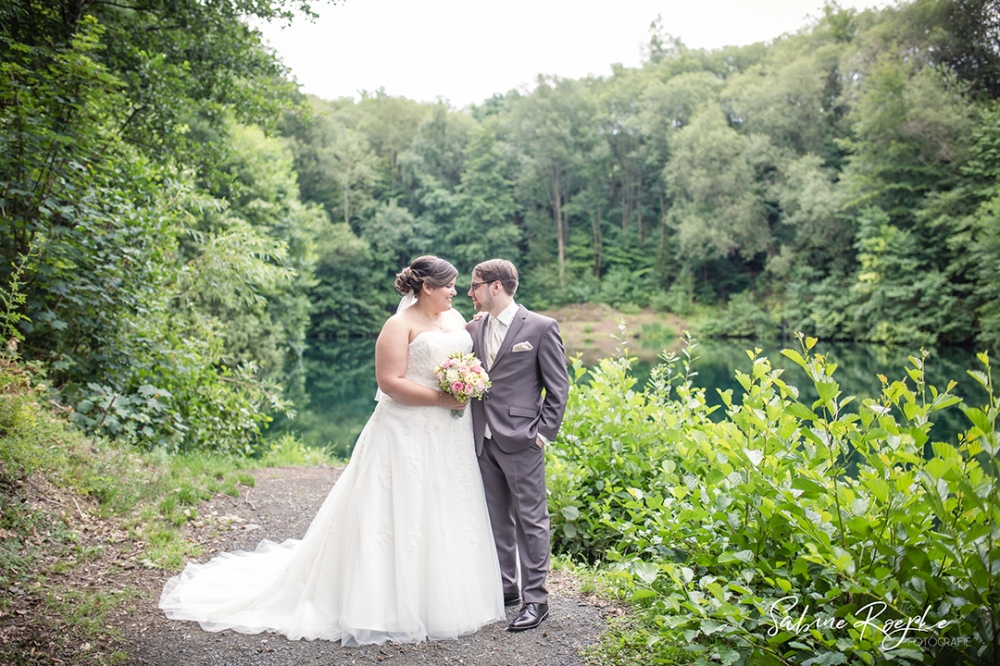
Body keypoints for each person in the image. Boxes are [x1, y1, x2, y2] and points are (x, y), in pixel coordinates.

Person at [159, 256, 505, 645]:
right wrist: (441, 399)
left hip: (448, 435)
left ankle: (445, 597)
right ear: (427, 287)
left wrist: (467, 385)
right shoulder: (398, 325)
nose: (455, 292)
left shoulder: (457, 320)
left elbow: (468, 362)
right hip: (404, 431)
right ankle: (383, 602)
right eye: (449, 285)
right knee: (399, 507)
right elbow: (389, 383)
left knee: (443, 505)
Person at [466, 259, 570, 632]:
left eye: (475, 285)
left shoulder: (541, 327)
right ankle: (507, 588)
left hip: (522, 439)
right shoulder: (473, 328)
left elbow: (559, 388)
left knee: (531, 521)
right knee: (496, 520)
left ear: (496, 287)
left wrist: (542, 434)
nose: (470, 292)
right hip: (483, 439)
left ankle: (537, 600)